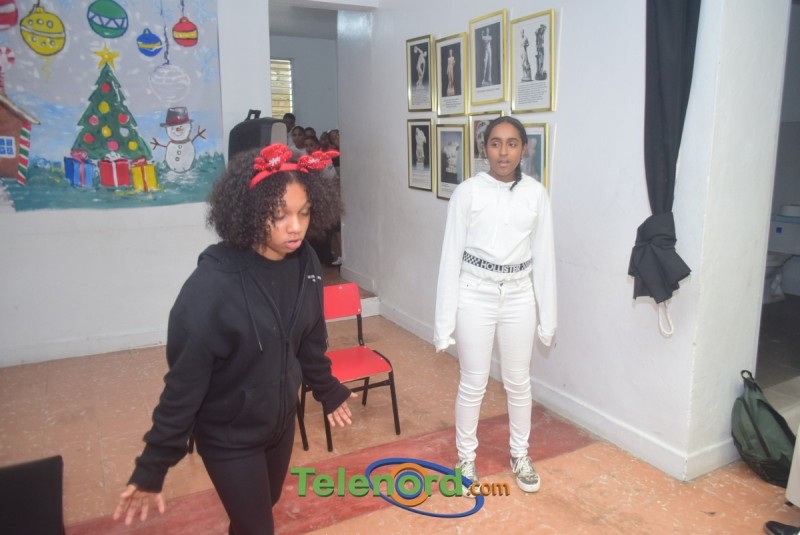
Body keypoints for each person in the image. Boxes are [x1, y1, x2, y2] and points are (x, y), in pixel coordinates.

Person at [113, 143, 355, 534]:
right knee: (257, 526)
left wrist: (327, 389)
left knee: (261, 509)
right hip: (229, 435)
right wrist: (152, 466)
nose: (295, 227)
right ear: (251, 212)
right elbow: (184, 384)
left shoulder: (307, 262)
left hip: (279, 424)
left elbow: (309, 339)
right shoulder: (212, 286)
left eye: (304, 212)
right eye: (280, 215)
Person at [433, 116, 557, 495]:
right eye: (495, 143)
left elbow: (545, 257)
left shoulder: (536, 194)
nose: (504, 152)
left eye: (512, 143)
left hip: (519, 295)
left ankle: (520, 454)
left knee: (519, 382)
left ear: (524, 148)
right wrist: (443, 323)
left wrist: (548, 318)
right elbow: (450, 257)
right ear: (484, 148)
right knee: (473, 381)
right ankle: (465, 457)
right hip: (475, 293)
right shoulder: (467, 193)